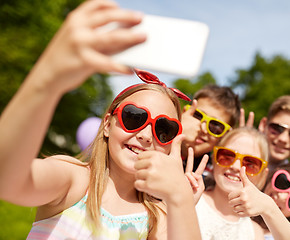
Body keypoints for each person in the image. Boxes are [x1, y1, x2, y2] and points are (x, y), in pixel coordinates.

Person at [0, 1, 202, 239]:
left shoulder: (159, 218)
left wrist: (180, 201)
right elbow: (7, 179)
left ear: (171, 143)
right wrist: (47, 78)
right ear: (107, 124)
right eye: (134, 117)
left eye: (164, 129)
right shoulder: (74, 180)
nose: (146, 135)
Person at [195, 127, 269, 240]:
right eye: (227, 156)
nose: (235, 167)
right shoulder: (190, 201)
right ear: (214, 159)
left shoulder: (255, 234)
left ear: (263, 175)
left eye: (250, 163)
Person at [181, 85, 241, 180]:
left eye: (215, 126)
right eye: (198, 115)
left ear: (225, 136)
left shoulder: (215, 177)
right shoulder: (153, 141)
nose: (204, 129)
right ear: (184, 113)